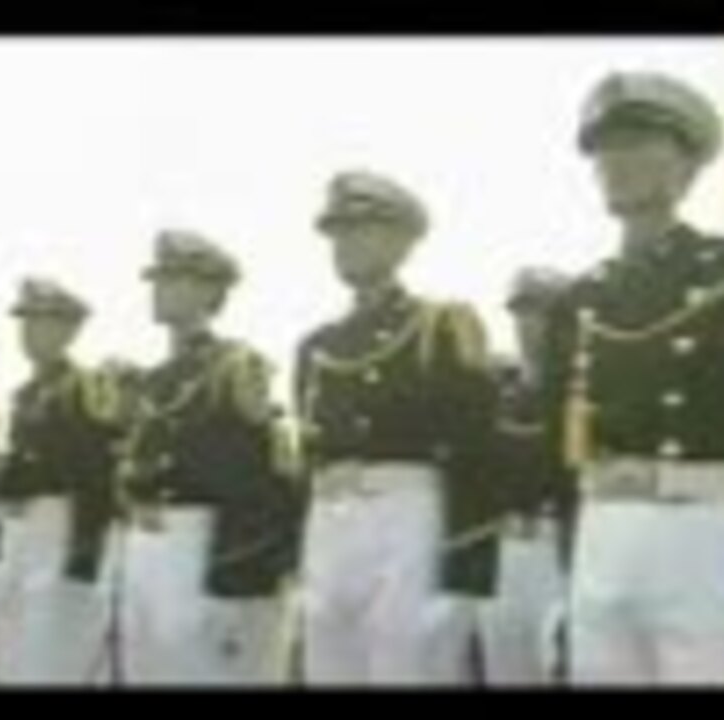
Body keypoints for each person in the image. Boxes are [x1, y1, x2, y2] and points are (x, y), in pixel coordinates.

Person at [542, 71, 724, 685]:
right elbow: (557, 447)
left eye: (638, 143)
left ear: (687, 164)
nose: (616, 161)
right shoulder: (580, 299)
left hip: (703, 532)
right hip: (602, 533)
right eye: (605, 149)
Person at [295, 170, 499, 685]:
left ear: (402, 241)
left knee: (407, 665)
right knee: (328, 666)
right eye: (338, 232)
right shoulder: (317, 346)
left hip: (406, 515)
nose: (345, 244)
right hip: (328, 519)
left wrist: (468, 558)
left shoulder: (438, 327)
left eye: (361, 230)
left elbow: (476, 447)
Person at [119, 230, 302, 685]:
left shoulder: (235, 367)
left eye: (175, 279)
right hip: (147, 544)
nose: (159, 289)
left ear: (210, 292)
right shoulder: (153, 381)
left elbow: (269, 473)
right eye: (158, 279)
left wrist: (243, 569)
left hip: (204, 544)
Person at [0, 278, 129, 685]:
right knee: (16, 649)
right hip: (24, 528)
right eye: (26, 322)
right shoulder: (25, 393)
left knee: (54, 649)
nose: (30, 332)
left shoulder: (83, 387)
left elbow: (96, 475)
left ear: (70, 330)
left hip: (63, 524)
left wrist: (83, 556)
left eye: (43, 322)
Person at [478, 269, 573, 686]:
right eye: (520, 312)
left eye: (542, 312)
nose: (528, 324)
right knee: (503, 671)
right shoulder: (497, 392)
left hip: (559, 549)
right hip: (504, 551)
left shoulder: (582, 391)